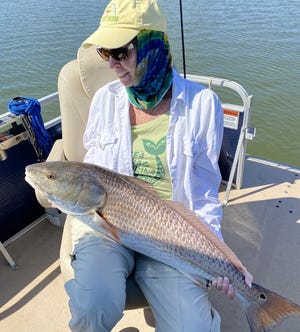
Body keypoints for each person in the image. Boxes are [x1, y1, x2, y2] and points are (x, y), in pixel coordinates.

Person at [63, 0, 243, 331]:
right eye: (105, 53)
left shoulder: (203, 105)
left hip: (171, 234)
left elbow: (203, 194)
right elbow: (92, 174)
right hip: (107, 227)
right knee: (92, 306)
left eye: (121, 52)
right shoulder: (105, 100)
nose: (113, 65)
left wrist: (218, 256)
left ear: (152, 45)